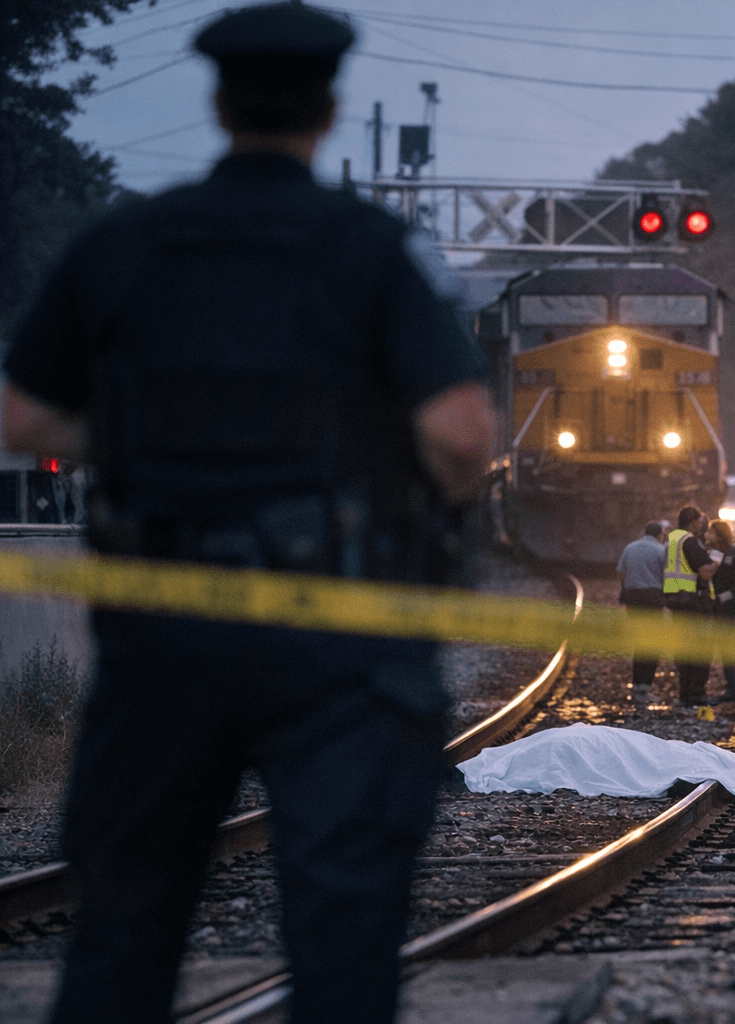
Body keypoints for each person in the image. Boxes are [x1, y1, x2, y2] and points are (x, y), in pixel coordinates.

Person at [0, 5, 495, 1021]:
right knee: (343, 937)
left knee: (122, 931)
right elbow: (460, 436)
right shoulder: (373, 252)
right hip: (339, 640)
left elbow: (23, 414)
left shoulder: (125, 243)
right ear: (329, 112)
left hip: (162, 631)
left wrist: (140, 438)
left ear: (219, 104)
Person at [662, 505, 718, 705]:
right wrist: (717, 562)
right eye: (699, 523)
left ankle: (685, 693)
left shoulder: (673, 539)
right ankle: (697, 693)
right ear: (694, 522)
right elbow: (705, 571)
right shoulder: (690, 541)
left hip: (676, 602)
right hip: (693, 604)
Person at [616, 521, 667, 698]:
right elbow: (666, 575)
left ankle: (637, 686)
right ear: (660, 534)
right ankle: (644, 687)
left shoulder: (630, 548)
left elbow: (621, 572)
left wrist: (626, 587)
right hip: (653, 598)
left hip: (633, 598)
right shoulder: (661, 550)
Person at [706, 518, 735, 701]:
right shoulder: (714, 553)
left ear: (719, 534)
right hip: (720, 606)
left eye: (711, 532)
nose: (708, 535)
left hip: (730, 606)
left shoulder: (731, 552)